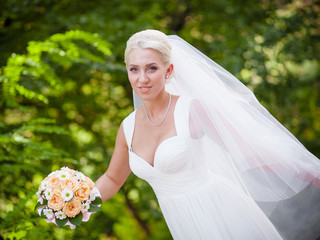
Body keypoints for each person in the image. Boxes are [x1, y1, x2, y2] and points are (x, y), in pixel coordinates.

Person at [95, 29, 320, 240]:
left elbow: (249, 153)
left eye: (151, 68)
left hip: (224, 214)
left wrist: (308, 172)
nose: (142, 78)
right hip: (183, 226)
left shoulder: (192, 110)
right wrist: (73, 203)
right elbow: (113, 179)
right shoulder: (128, 127)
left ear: (169, 71)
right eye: (134, 69)